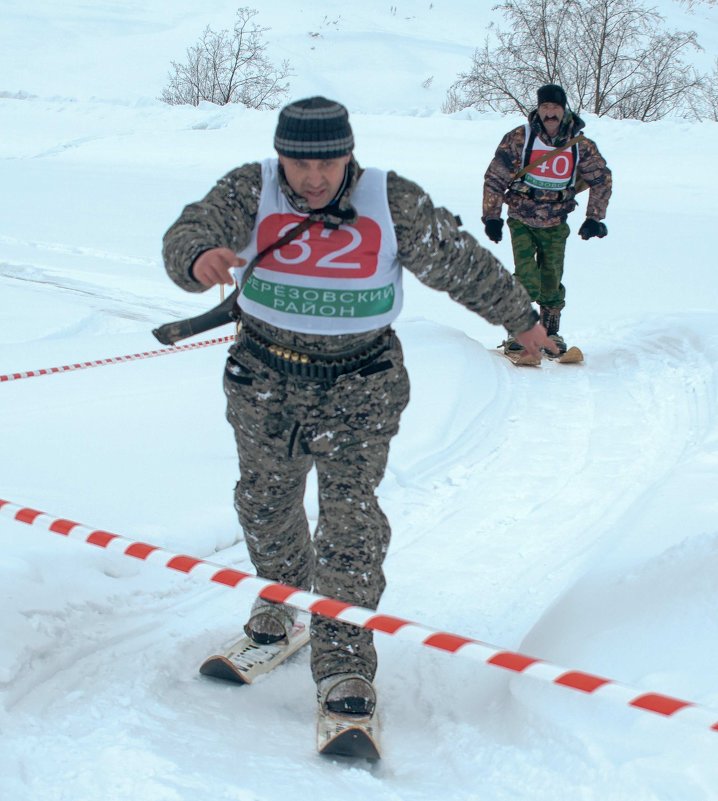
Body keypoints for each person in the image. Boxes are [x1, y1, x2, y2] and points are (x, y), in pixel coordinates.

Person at [162, 96, 555, 721]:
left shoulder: (390, 199)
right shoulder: (251, 186)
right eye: (298, 164)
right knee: (264, 504)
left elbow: (461, 262)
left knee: (349, 525)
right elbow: (189, 229)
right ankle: (280, 602)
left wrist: (521, 319)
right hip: (263, 377)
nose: (313, 178)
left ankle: (344, 665)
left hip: (360, 386)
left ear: (350, 153)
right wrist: (197, 257)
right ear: (280, 156)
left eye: (329, 162)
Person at [482, 83, 612, 356]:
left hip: (556, 222)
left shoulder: (581, 145)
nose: (549, 112)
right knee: (527, 277)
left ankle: (551, 333)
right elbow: (495, 177)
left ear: (564, 110)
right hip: (521, 218)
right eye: (544, 107)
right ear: (538, 109)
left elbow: (601, 179)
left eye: (554, 107)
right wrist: (491, 217)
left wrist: (594, 218)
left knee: (552, 279)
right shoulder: (520, 138)